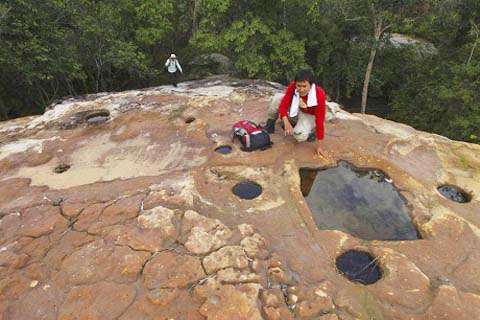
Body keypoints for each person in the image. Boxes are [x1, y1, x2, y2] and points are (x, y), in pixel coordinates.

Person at [264, 69, 327, 157]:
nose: (301, 89)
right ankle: (270, 124)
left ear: (311, 85)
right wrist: (286, 122)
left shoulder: (319, 95)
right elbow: (283, 105)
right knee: (277, 98)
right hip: (297, 107)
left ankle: (311, 131)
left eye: (304, 86)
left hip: (310, 114)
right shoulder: (293, 87)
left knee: (299, 137)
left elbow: (320, 120)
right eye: (299, 86)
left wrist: (320, 146)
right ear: (295, 84)